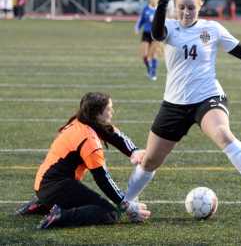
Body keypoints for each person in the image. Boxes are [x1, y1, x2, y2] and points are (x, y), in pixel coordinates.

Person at [124, 0, 241, 207]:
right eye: (181, 7)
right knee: (150, 161)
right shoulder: (169, 27)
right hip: (174, 104)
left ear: (200, 6)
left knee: (223, 134)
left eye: (191, 7)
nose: (186, 12)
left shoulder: (212, 29)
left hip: (207, 97)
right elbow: (157, 33)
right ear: (175, 7)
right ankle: (126, 202)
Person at [16, 92, 150, 229]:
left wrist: (134, 150)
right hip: (56, 187)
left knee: (87, 200)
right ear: (98, 114)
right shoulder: (89, 141)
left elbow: (114, 135)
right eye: (109, 109)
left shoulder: (81, 120)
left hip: (44, 185)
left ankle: (42, 204)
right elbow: (103, 179)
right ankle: (61, 215)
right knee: (110, 213)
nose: (112, 112)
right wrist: (125, 205)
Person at [135, 0, 160, 80]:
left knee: (154, 54)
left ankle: (153, 73)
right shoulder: (146, 8)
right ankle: (149, 69)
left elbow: (163, 22)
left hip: (156, 34)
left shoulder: (160, 10)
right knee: (144, 55)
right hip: (146, 33)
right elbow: (141, 20)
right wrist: (137, 28)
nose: (153, 0)